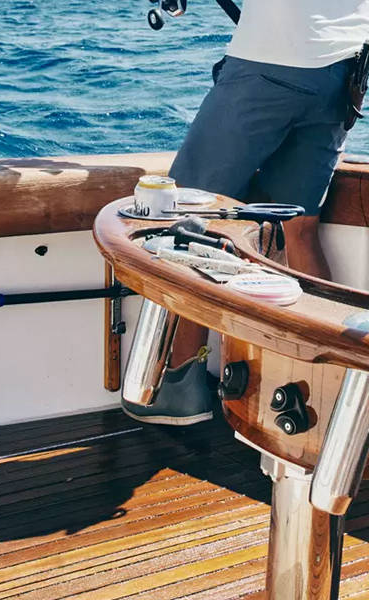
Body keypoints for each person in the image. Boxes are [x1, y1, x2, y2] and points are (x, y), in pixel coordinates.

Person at [123, 0, 369, 425]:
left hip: (269, 63)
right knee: (299, 227)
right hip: (342, 78)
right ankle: (325, 393)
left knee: (187, 219)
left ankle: (182, 384)